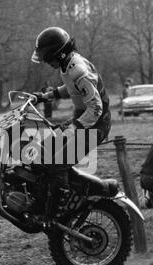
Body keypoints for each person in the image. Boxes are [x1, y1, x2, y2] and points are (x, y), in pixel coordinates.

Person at [31, 26, 111, 214]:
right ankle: (53, 194)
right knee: (44, 150)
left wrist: (74, 127)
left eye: (47, 56)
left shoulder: (79, 70)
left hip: (96, 124)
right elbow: (71, 88)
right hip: (82, 120)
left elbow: (96, 108)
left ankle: (60, 207)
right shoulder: (68, 66)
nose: (45, 60)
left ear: (58, 54)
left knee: (57, 162)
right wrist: (47, 96)